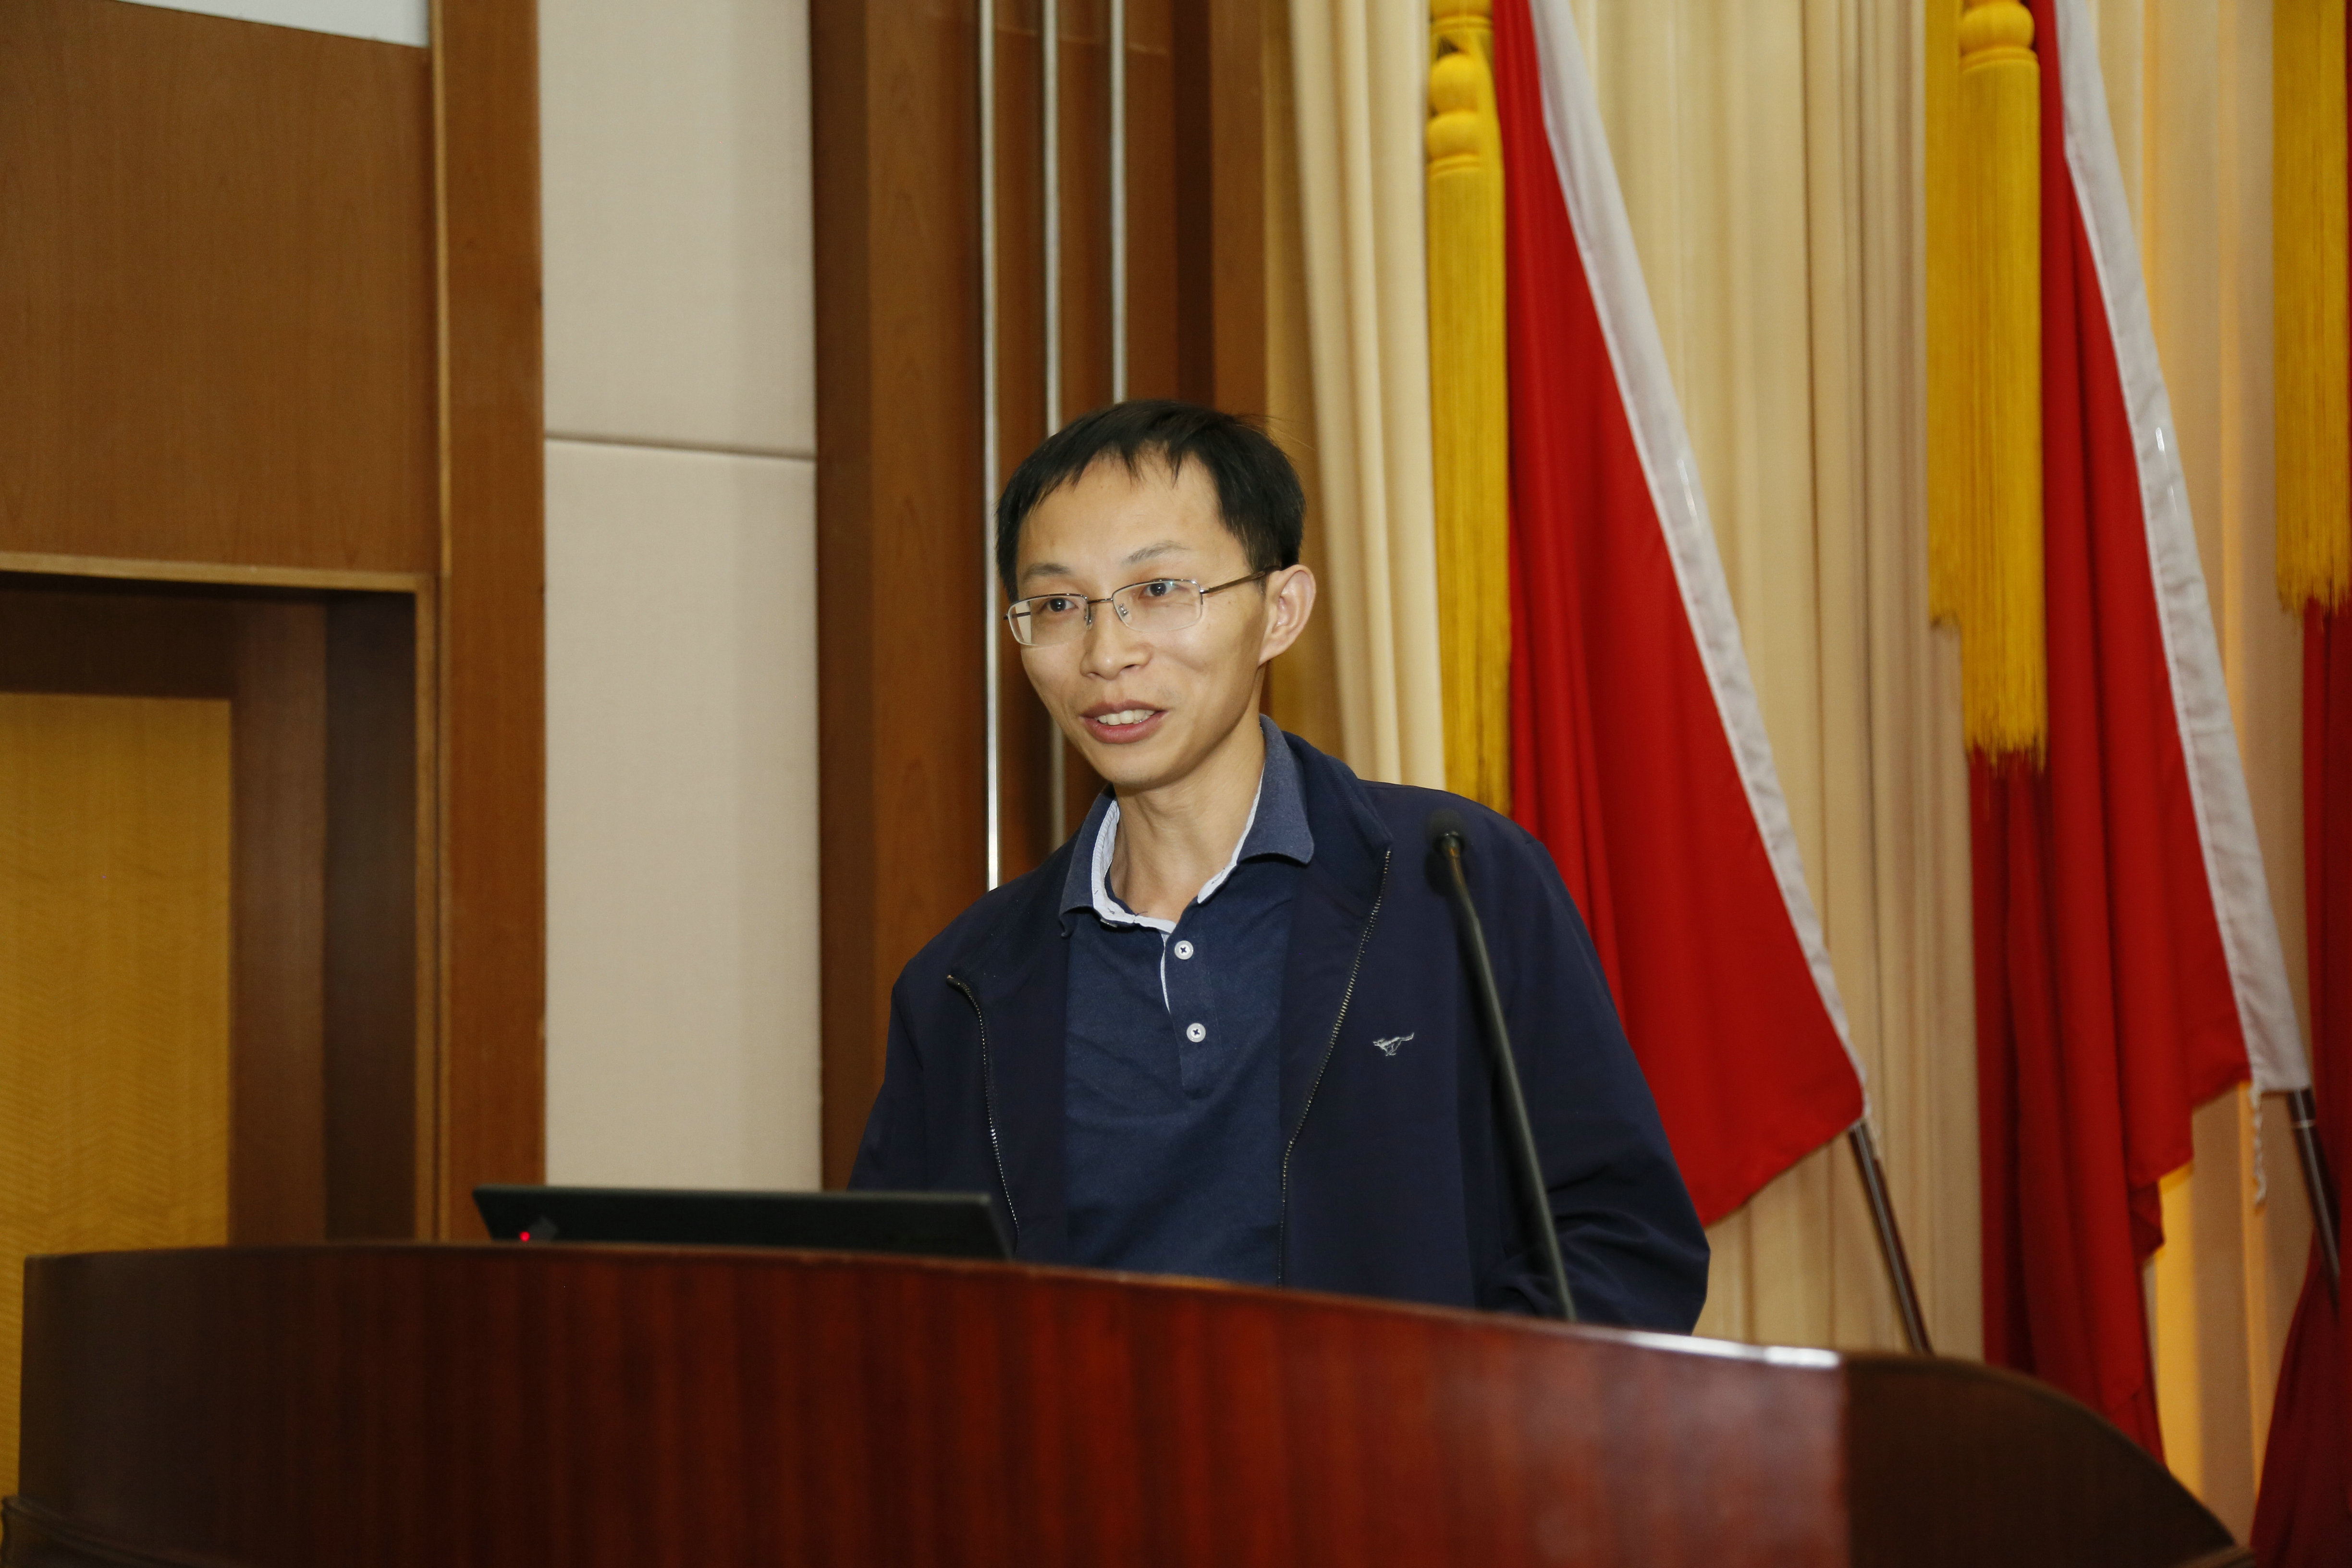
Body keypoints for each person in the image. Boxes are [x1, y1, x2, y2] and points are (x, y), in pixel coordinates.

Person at [850, 400, 1708, 1328]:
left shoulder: (1454, 882)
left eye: (1160, 589)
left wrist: (1460, 1410)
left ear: (1280, 612)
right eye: (1059, 606)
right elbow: (891, 1314)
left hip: (1413, 1428)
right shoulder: (961, 984)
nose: (1107, 652)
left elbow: (1622, 1242)